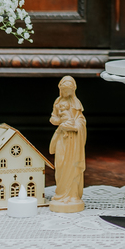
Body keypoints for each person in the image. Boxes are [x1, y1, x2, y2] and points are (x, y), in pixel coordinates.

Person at [49, 75, 86, 212]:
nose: (65, 94)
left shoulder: (76, 105)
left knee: (73, 166)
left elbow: (81, 121)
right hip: (62, 139)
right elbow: (54, 117)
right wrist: (57, 121)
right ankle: (60, 194)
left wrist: (73, 127)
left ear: (73, 90)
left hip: (74, 141)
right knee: (61, 165)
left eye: (68, 91)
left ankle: (73, 196)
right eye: (64, 91)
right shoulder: (57, 102)